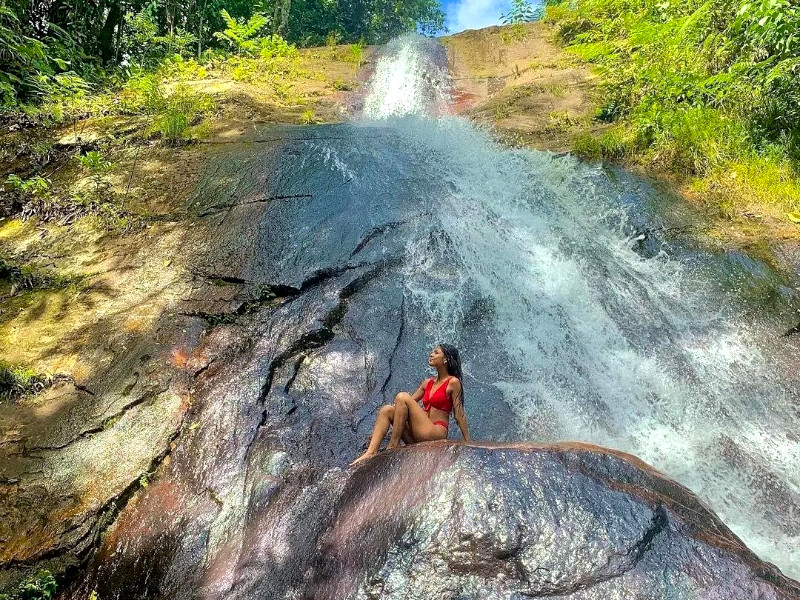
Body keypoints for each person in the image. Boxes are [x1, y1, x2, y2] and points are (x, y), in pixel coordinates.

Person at [351, 344, 470, 465]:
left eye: (436, 352)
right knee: (387, 410)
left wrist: (467, 441)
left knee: (402, 396)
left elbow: (459, 413)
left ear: (446, 359)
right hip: (418, 435)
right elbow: (403, 406)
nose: (431, 354)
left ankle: (393, 445)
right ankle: (371, 451)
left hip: (435, 434)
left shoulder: (453, 382)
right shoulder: (427, 383)